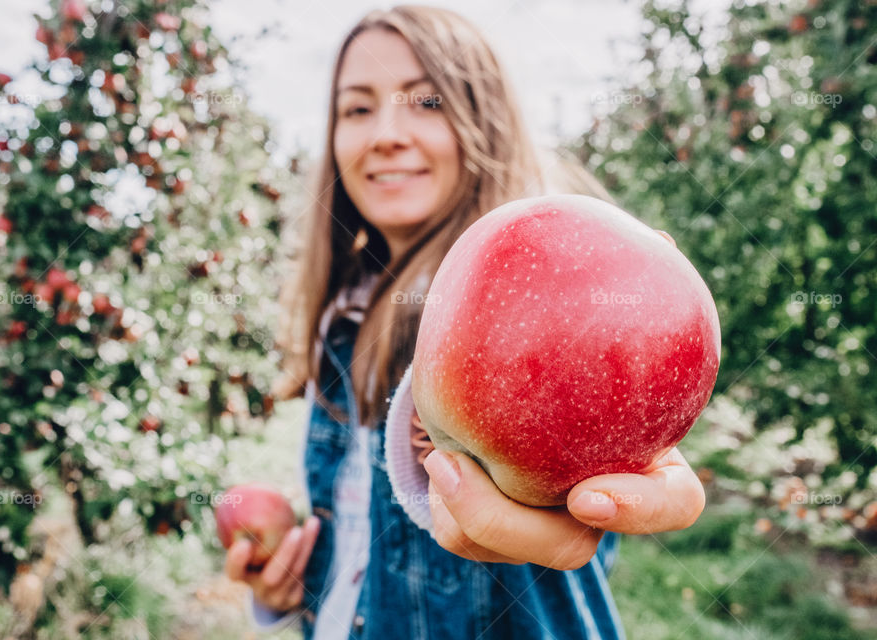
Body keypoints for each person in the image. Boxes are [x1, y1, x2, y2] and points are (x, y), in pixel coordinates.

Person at [224, 6, 706, 639]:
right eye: (357, 108)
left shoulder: (547, 301)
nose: (386, 134)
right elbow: (361, 548)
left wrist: (610, 425)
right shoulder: (340, 320)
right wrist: (292, 590)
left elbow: (556, 465)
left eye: (426, 101)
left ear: (486, 120)